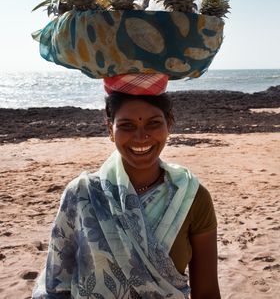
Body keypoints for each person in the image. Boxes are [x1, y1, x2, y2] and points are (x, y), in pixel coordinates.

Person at [32, 91, 221, 299]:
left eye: (153, 123)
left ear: (169, 124)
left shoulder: (190, 197)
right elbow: (57, 285)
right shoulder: (82, 194)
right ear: (110, 129)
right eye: (127, 125)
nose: (141, 136)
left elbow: (207, 292)